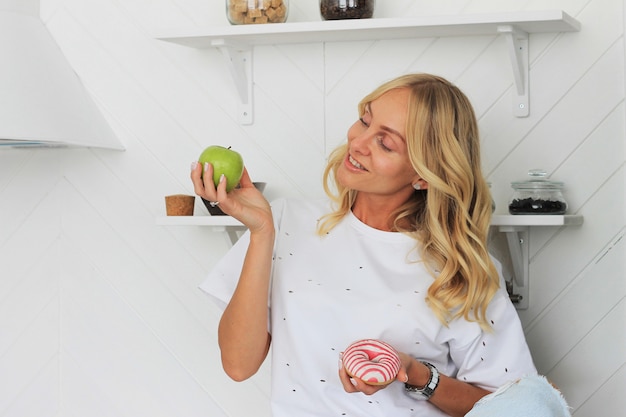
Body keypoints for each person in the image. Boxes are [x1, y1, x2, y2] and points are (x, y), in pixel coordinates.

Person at [190, 73, 570, 417]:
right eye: (365, 120)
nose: (357, 142)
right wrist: (260, 233)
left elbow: (509, 405)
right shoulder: (285, 221)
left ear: (424, 174)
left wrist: (414, 373)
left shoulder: (462, 269)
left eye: (385, 143)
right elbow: (238, 366)